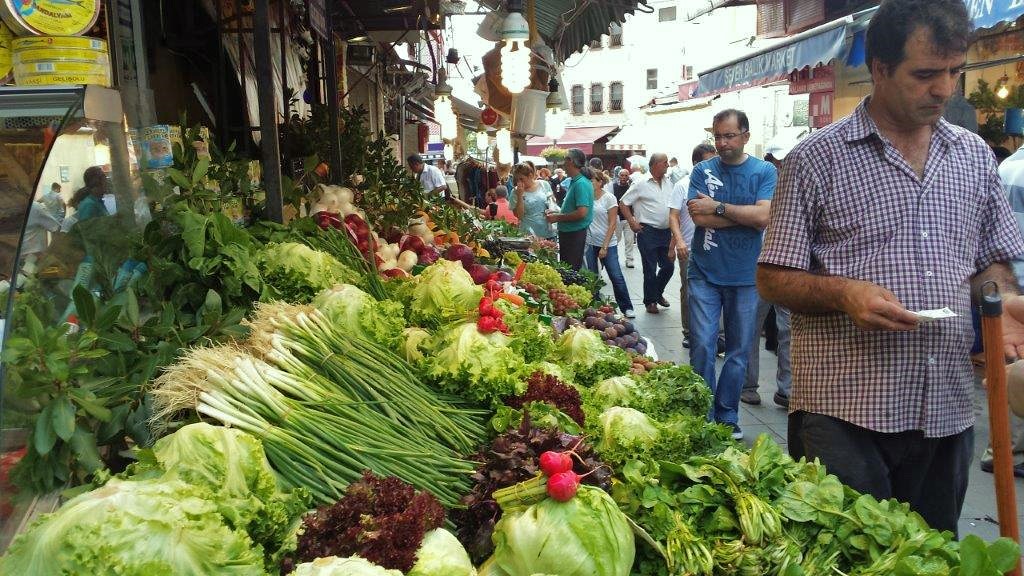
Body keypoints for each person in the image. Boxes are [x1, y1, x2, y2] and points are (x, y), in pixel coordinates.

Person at [756, 0, 1024, 535]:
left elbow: (989, 262)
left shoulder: (973, 156)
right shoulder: (817, 159)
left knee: (931, 557)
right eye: (925, 74)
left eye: (954, 72)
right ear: (879, 69)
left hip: (944, 409)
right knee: (843, 559)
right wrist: (844, 293)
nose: (944, 89)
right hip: (844, 412)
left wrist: (1001, 300)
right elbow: (772, 276)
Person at [687, 109, 776, 440]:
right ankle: (702, 413)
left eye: (729, 136)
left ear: (745, 137)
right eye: (718, 136)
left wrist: (720, 208)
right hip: (704, 272)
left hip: (746, 277)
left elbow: (764, 218)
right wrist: (746, 216)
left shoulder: (764, 171)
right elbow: (700, 219)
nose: (722, 143)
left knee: (739, 351)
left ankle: (727, 415)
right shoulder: (703, 170)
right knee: (702, 346)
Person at [741, 144, 794, 408]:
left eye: (783, 162)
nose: (780, 167)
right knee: (751, 326)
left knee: (789, 331)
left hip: (790, 268)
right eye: (776, 161)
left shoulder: (796, 187)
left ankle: (786, 389)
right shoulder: (756, 185)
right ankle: (748, 384)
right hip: (758, 267)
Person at [670, 143, 717, 348]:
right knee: (689, 289)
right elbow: (673, 216)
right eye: (708, 161)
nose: (713, 165)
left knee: (715, 290)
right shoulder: (682, 184)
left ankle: (714, 334)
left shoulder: (718, 183)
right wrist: (677, 241)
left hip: (715, 247)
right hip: (689, 247)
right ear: (696, 163)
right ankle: (689, 331)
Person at [620, 153, 675, 315]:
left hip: (666, 231)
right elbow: (623, 203)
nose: (667, 165)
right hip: (648, 230)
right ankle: (650, 301)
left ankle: (657, 293)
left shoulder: (668, 182)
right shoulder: (641, 183)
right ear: (655, 164)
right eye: (664, 162)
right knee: (650, 268)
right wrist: (631, 221)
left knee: (668, 266)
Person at [584, 169, 635, 318]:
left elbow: (612, 223)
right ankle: (595, 305)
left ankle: (626, 306)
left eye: (592, 180)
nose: (589, 183)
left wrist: (605, 246)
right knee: (592, 276)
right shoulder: (586, 197)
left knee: (616, 275)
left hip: (608, 243)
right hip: (590, 242)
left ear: (600, 182)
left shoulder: (609, 198)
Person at [546, 148, 593, 270]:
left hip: (574, 234)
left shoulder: (580, 183)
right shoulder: (575, 181)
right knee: (568, 269)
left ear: (570, 161)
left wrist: (557, 217)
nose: (563, 163)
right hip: (570, 233)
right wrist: (557, 213)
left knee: (571, 271)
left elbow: (582, 212)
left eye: (564, 159)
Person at [509, 162, 555, 240]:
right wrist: (520, 196)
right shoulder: (515, 192)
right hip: (528, 235)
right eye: (517, 180)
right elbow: (519, 216)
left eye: (521, 179)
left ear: (530, 176)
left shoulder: (544, 184)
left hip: (548, 232)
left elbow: (552, 204)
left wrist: (552, 210)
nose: (519, 182)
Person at [612, 169, 636, 269]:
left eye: (625, 176)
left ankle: (629, 259)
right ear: (618, 176)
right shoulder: (613, 187)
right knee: (615, 240)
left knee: (629, 240)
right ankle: (613, 259)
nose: (623, 177)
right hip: (616, 218)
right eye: (622, 175)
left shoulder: (631, 188)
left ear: (628, 177)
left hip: (628, 218)